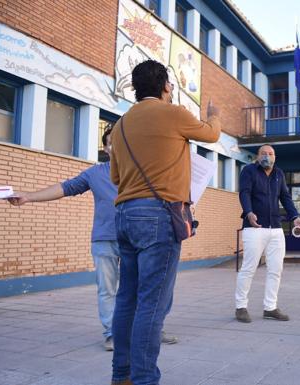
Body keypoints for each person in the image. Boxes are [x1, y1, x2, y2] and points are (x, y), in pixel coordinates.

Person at [6, 128, 178, 351]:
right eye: (111, 143)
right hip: (105, 239)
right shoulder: (94, 174)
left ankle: (151, 328)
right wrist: (28, 196)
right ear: (105, 149)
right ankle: (112, 334)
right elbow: (65, 188)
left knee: (148, 285)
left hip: (138, 237)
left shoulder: (145, 172)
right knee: (108, 289)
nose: (116, 146)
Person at [108, 59, 220, 385]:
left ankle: (122, 376)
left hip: (125, 215)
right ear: (166, 86)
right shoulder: (174, 113)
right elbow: (212, 135)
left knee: (127, 299)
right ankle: (144, 379)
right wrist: (213, 113)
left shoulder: (120, 124)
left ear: (135, 87)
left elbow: (116, 176)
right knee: (152, 304)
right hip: (158, 217)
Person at [235, 144, 300, 323]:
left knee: (276, 269)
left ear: (275, 157)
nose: (267, 156)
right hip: (254, 228)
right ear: (258, 157)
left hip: (276, 228)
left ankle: (270, 307)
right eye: (264, 153)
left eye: (270, 153)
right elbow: (244, 193)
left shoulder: (279, 174)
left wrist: (295, 216)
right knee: (249, 268)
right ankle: (241, 307)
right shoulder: (249, 171)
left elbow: (285, 198)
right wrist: (249, 212)